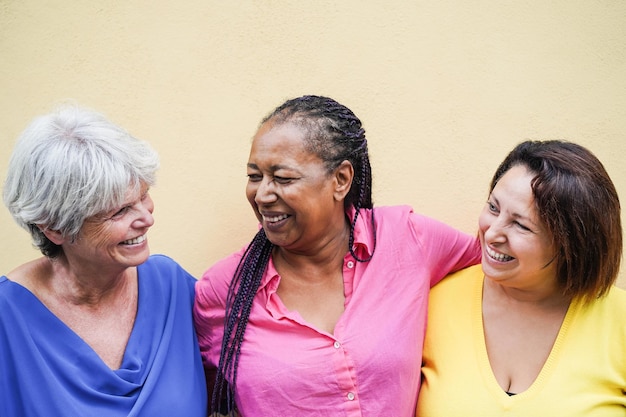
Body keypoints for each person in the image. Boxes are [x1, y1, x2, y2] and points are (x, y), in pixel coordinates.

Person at [193, 94, 481, 416]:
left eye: (283, 178)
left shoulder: (407, 238)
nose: (262, 195)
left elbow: (501, 267)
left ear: (340, 180)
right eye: (254, 176)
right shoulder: (224, 290)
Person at [0, 105, 207, 416]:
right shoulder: (7, 320)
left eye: (144, 195)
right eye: (120, 211)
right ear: (55, 227)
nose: (147, 218)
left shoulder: (173, 287)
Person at [417, 140, 626, 416]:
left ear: (572, 245)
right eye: (493, 207)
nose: (491, 234)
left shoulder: (619, 321)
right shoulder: (432, 303)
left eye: (520, 225)